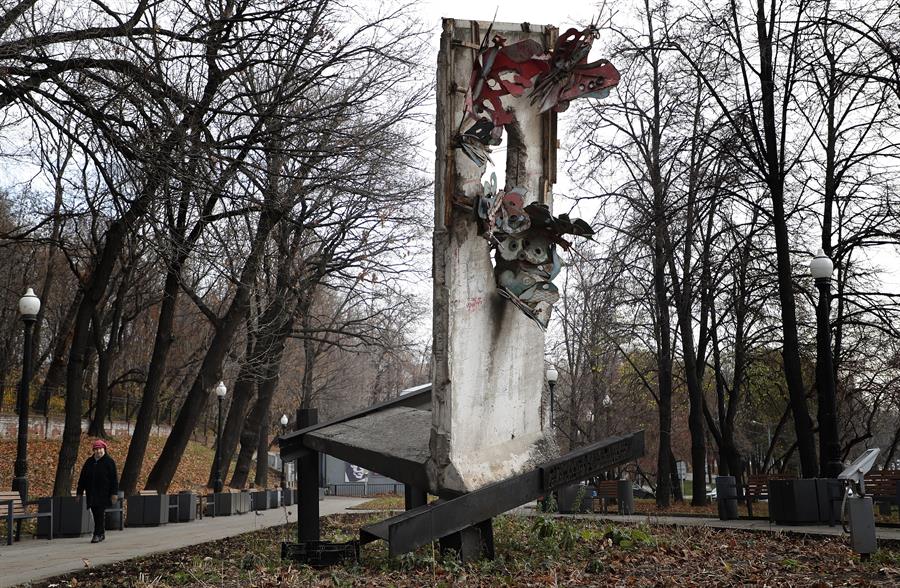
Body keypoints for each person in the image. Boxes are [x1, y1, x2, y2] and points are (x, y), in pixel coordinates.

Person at [76, 439, 119, 543]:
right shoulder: (89, 462)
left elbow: (114, 479)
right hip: (92, 492)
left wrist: (114, 493)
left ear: (104, 449)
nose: (98, 451)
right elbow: (82, 478)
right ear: (93, 451)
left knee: (99, 512)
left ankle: (96, 534)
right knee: (96, 513)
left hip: (104, 493)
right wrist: (79, 492)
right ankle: (101, 533)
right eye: (96, 449)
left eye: (100, 449)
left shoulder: (109, 461)